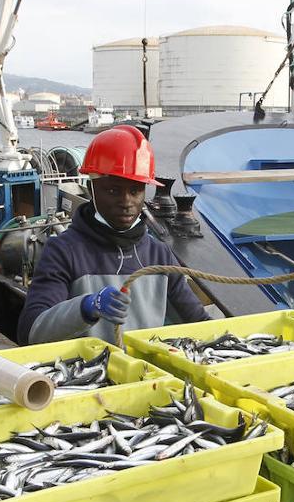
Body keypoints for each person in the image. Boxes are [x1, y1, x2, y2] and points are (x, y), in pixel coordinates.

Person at [17, 125, 209, 345]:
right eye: (113, 190)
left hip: (150, 377)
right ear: (92, 188)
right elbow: (31, 331)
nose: (126, 202)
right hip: (89, 375)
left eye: (135, 191)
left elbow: (199, 321)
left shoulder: (159, 255)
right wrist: (86, 307)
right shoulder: (64, 251)